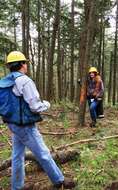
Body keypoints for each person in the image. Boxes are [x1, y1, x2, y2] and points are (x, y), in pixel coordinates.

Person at [0, 51, 75, 190]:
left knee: (17, 156)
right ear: (22, 64)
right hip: (25, 126)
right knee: (43, 154)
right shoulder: (25, 81)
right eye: (25, 63)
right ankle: (59, 181)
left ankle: (17, 186)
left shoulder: (5, 82)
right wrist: (46, 104)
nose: (26, 65)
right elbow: (35, 107)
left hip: (12, 124)